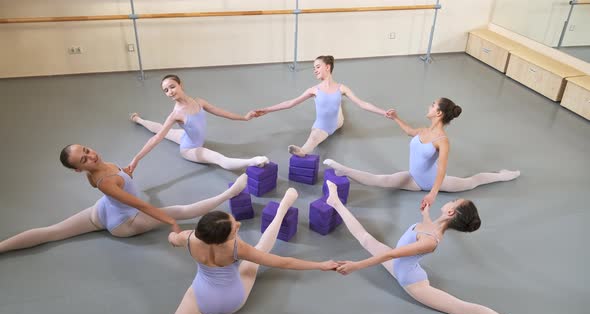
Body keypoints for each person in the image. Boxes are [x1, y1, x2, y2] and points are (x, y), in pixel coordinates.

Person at [325, 181, 538, 314]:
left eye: (453, 201)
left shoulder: (430, 240)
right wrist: (426, 211)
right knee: (365, 238)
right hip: (401, 266)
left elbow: (390, 253)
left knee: (469, 310)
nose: (450, 201)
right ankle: (334, 201)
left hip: (412, 283)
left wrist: (356, 266)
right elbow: (425, 225)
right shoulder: (432, 225)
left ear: (451, 213)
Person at [0, 144, 248, 253]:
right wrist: (169, 221)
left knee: (53, 231)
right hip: (124, 223)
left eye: (86, 150)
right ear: (78, 169)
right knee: (181, 211)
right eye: (84, 160)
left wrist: (126, 172)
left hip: (103, 210)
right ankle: (230, 193)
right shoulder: (106, 182)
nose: (91, 157)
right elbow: (140, 204)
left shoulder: (96, 171)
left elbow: (119, 180)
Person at [166, 188, 338, 314]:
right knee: (259, 250)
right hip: (233, 301)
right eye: (235, 229)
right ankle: (282, 209)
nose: (239, 225)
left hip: (201, 299)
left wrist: (174, 234)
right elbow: (284, 262)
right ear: (224, 239)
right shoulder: (237, 248)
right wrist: (320, 265)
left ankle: (283, 208)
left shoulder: (188, 238)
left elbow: (172, 239)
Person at [324, 98, 520, 209]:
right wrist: (395, 118)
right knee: (381, 180)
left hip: (435, 181)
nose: (429, 105)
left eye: (433, 104)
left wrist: (433, 194)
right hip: (414, 180)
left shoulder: (442, 141)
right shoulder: (424, 131)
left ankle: (503, 175)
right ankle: (343, 170)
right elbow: (409, 131)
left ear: (439, 113)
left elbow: (442, 170)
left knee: (472, 181)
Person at [251, 55, 389, 157]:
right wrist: (267, 110)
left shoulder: (342, 88)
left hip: (338, 122)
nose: (314, 70)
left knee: (339, 110)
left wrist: (384, 112)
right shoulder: (314, 90)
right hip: (322, 127)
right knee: (313, 138)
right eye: (314, 68)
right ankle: (302, 151)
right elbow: (290, 103)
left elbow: (362, 104)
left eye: (317, 67)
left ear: (327, 67)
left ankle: (340, 104)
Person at [128, 74, 269, 172]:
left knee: (161, 129)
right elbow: (156, 139)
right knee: (219, 159)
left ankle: (137, 119)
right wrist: (136, 159)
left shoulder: (199, 102)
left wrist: (244, 118)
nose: (170, 92)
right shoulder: (176, 114)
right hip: (190, 149)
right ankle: (253, 161)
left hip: (185, 136)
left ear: (180, 84)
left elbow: (221, 112)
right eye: (166, 90)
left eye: (172, 87)